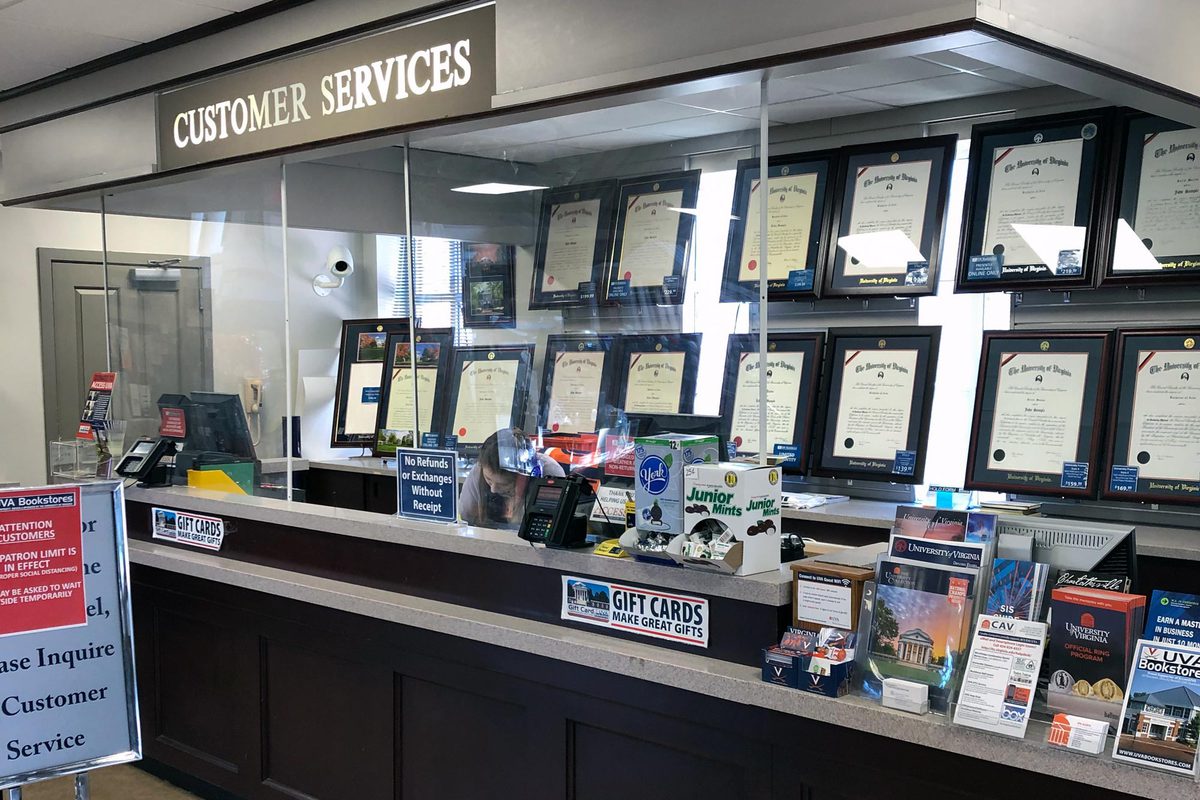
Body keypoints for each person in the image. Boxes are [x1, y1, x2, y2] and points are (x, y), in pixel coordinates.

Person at [459, 427, 564, 529]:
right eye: (489, 480)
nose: (493, 489)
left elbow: (550, 526)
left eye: (504, 484)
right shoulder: (478, 471)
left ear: (524, 477)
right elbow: (467, 520)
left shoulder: (550, 474)